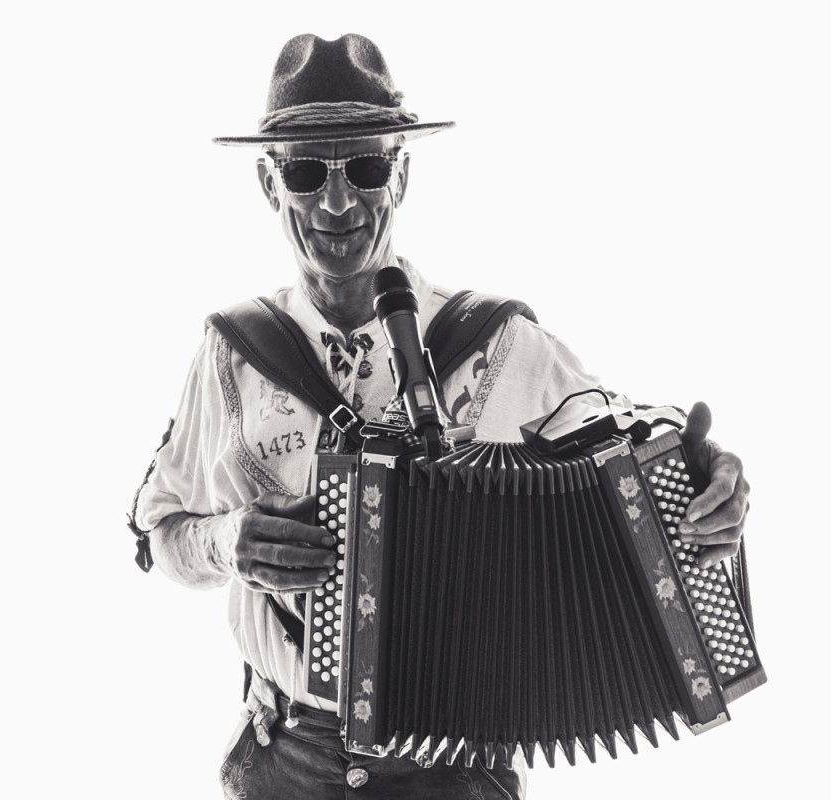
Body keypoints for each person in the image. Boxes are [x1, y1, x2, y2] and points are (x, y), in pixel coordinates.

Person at [129, 33, 750, 800]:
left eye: (365, 167)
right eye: (305, 172)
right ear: (268, 182)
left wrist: (706, 485)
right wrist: (227, 541)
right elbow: (159, 532)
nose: (336, 203)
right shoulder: (233, 355)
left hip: (459, 767)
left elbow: (630, 443)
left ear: (402, 173)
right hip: (287, 761)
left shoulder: (496, 342)